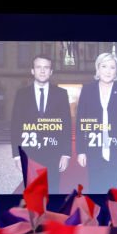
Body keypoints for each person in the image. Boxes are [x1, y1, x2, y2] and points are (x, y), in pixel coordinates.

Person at [10, 55, 72, 194]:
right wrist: (16, 155)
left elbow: (66, 125)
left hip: (54, 154)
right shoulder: (22, 94)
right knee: (32, 194)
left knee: (53, 192)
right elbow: (16, 126)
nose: (42, 71)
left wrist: (66, 154)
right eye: (38, 67)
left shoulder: (61, 94)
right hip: (29, 153)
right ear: (32, 71)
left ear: (51, 71)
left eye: (46, 67)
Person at [76, 53, 117, 193]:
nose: (108, 71)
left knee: (114, 189)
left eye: (112, 67)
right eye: (104, 66)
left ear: (116, 71)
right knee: (95, 189)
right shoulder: (87, 90)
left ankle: (111, 214)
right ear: (97, 68)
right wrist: (81, 151)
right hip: (93, 149)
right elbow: (81, 123)